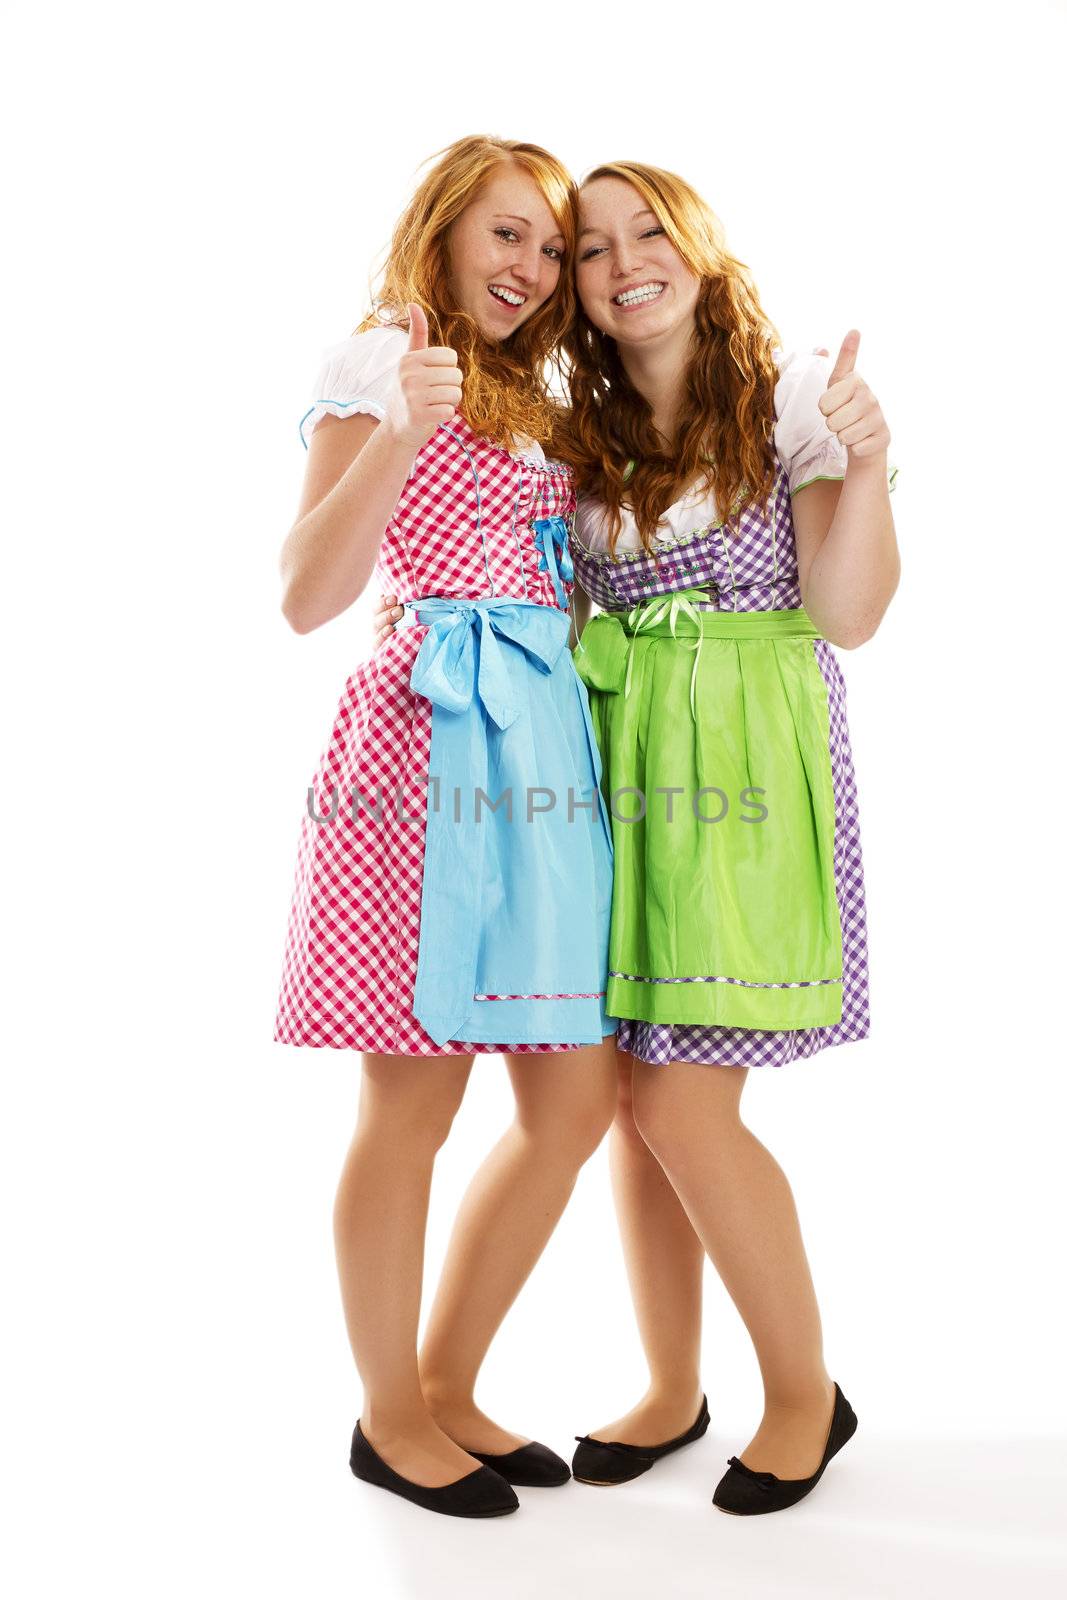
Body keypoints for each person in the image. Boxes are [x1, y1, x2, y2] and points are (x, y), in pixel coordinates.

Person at [376, 157, 900, 1518]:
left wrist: (876, 462)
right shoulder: (576, 432)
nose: (617, 264)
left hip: (739, 772)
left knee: (682, 1098)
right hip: (607, 771)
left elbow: (848, 614)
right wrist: (420, 620)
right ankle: (673, 1385)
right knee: (623, 1093)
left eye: (643, 233)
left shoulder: (785, 401)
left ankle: (804, 1396)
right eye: (587, 249)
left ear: (698, 248)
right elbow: (521, 587)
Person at [274, 135, 618, 1519]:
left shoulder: (538, 392)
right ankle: (389, 1414)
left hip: (541, 749)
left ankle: (449, 1382)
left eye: (550, 246)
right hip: (420, 741)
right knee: (413, 1099)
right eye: (507, 235)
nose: (531, 268)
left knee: (573, 1098)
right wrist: (403, 429)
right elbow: (305, 592)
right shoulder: (383, 359)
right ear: (444, 231)